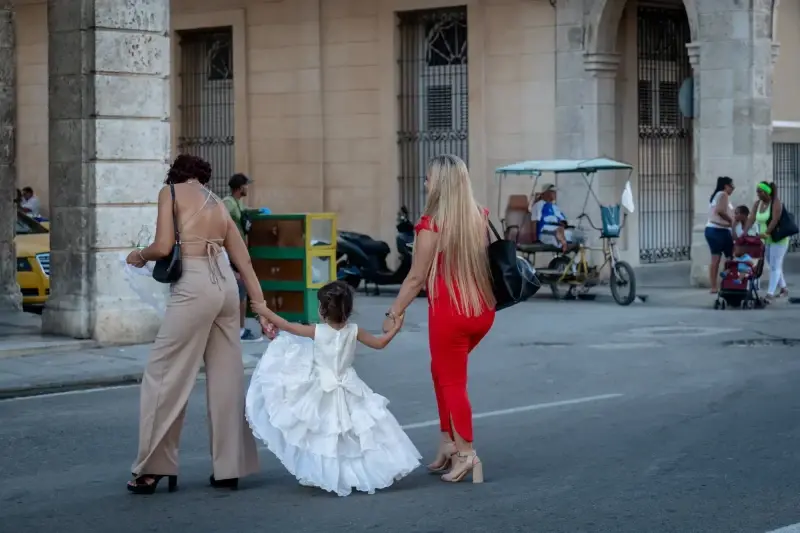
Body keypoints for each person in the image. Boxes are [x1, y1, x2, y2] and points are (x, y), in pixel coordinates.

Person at [124, 154, 260, 494]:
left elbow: (163, 246)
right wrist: (260, 305)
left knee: (164, 374)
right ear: (203, 176)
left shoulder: (170, 193)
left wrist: (138, 255)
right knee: (227, 377)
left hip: (195, 282)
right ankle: (229, 468)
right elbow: (243, 258)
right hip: (226, 285)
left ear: (175, 174)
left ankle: (151, 469)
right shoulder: (218, 203)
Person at [247, 281, 421, 497]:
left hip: (322, 386)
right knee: (357, 432)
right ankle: (360, 471)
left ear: (322, 310)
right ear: (348, 310)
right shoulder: (355, 331)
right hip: (350, 384)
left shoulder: (316, 331)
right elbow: (380, 343)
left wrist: (265, 311)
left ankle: (327, 473)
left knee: (325, 433)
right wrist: (395, 328)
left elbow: (286, 325)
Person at [382, 154, 495, 484]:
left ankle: (467, 453)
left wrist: (394, 312)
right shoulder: (479, 216)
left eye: (429, 177)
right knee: (441, 371)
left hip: (451, 313)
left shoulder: (431, 224)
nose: (426, 182)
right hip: (481, 311)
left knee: (452, 382)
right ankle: (448, 442)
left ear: (441, 184)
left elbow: (416, 279)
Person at [223, 173, 260, 342]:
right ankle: (239, 329)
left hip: (239, 253)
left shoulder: (238, 203)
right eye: (246, 185)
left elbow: (244, 213)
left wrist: (259, 212)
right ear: (240, 187)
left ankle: (238, 328)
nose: (247, 188)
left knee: (241, 291)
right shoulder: (228, 203)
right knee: (240, 290)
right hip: (232, 254)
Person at [744, 181, 789, 299]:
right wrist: (744, 232)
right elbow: (751, 218)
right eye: (757, 191)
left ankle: (770, 293)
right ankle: (784, 288)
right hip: (766, 239)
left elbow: (775, 220)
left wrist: (767, 232)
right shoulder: (757, 204)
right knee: (773, 264)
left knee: (775, 265)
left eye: (760, 192)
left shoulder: (775, 203)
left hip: (778, 238)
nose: (757, 194)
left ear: (766, 192)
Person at [704, 176, 735, 293]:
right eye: (732, 186)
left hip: (711, 230)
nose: (733, 189)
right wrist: (731, 221)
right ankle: (726, 282)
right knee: (730, 256)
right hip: (720, 230)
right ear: (726, 186)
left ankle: (713, 286)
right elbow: (720, 211)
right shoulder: (723, 194)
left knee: (715, 259)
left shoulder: (716, 195)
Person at [530, 184, 580, 252]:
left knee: (579, 234)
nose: (555, 193)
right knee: (560, 231)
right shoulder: (538, 205)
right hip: (545, 233)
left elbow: (563, 221)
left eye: (555, 192)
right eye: (552, 191)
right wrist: (535, 240)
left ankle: (575, 259)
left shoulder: (555, 207)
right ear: (546, 192)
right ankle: (564, 243)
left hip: (559, 231)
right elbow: (534, 222)